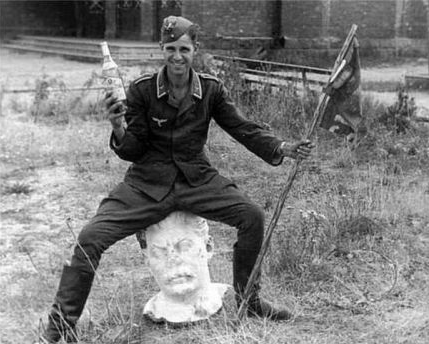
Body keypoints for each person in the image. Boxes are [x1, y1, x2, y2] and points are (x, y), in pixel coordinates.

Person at [41, 15, 315, 343]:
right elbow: (132, 149)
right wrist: (118, 127)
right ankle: (59, 327)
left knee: (252, 217)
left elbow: (241, 127)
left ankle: (250, 301)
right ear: (162, 49)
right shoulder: (142, 90)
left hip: (197, 180)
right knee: (90, 238)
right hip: (147, 183)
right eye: (170, 48)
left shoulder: (211, 89)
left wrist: (282, 147)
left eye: (183, 48)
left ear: (194, 49)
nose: (177, 56)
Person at [143, 211, 229, 324]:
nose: (173, 260)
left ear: (208, 247)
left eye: (185, 247)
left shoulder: (236, 298)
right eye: (159, 252)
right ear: (146, 259)